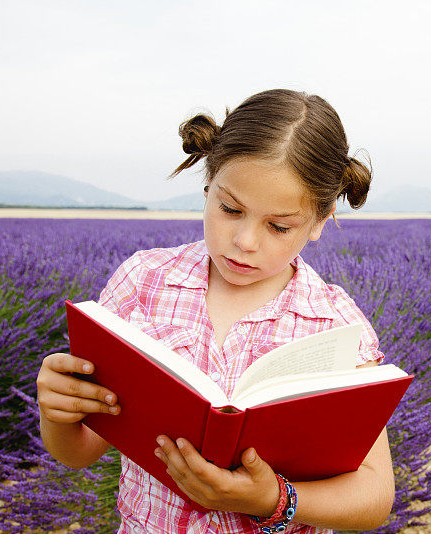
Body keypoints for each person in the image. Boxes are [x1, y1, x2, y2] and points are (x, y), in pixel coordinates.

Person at [36, 89, 395, 533]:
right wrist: (57, 412)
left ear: (320, 219)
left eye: (279, 226)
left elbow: (375, 495)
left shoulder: (337, 327)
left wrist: (272, 498)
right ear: (208, 183)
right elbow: (80, 452)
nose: (245, 240)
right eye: (230, 209)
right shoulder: (142, 283)